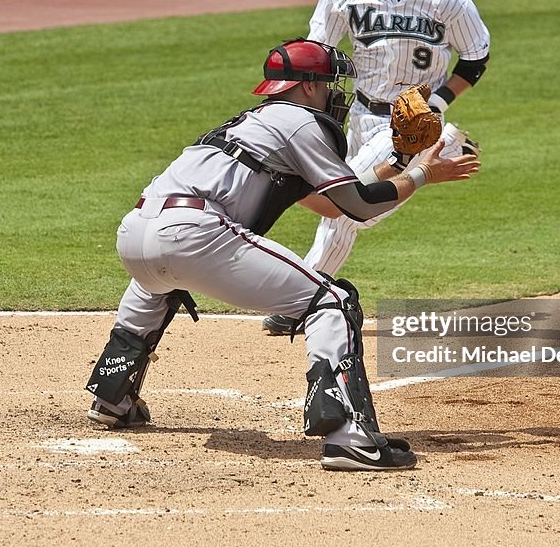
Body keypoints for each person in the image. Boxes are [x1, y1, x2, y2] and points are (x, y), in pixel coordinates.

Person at [84, 38, 480, 471]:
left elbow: (331, 200)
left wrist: (402, 160)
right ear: (308, 87)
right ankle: (350, 438)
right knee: (332, 301)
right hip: (194, 235)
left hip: (138, 234)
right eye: (330, 83)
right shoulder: (302, 122)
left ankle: (112, 397)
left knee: (160, 280)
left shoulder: (258, 124)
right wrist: (423, 174)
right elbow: (360, 206)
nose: (335, 93)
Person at [263, 0, 492, 336]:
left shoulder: (448, 1)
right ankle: (451, 144)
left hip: (411, 124)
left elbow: (476, 57)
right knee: (350, 204)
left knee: (350, 208)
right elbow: (318, 55)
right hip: (360, 116)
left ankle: (304, 297)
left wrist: (439, 105)